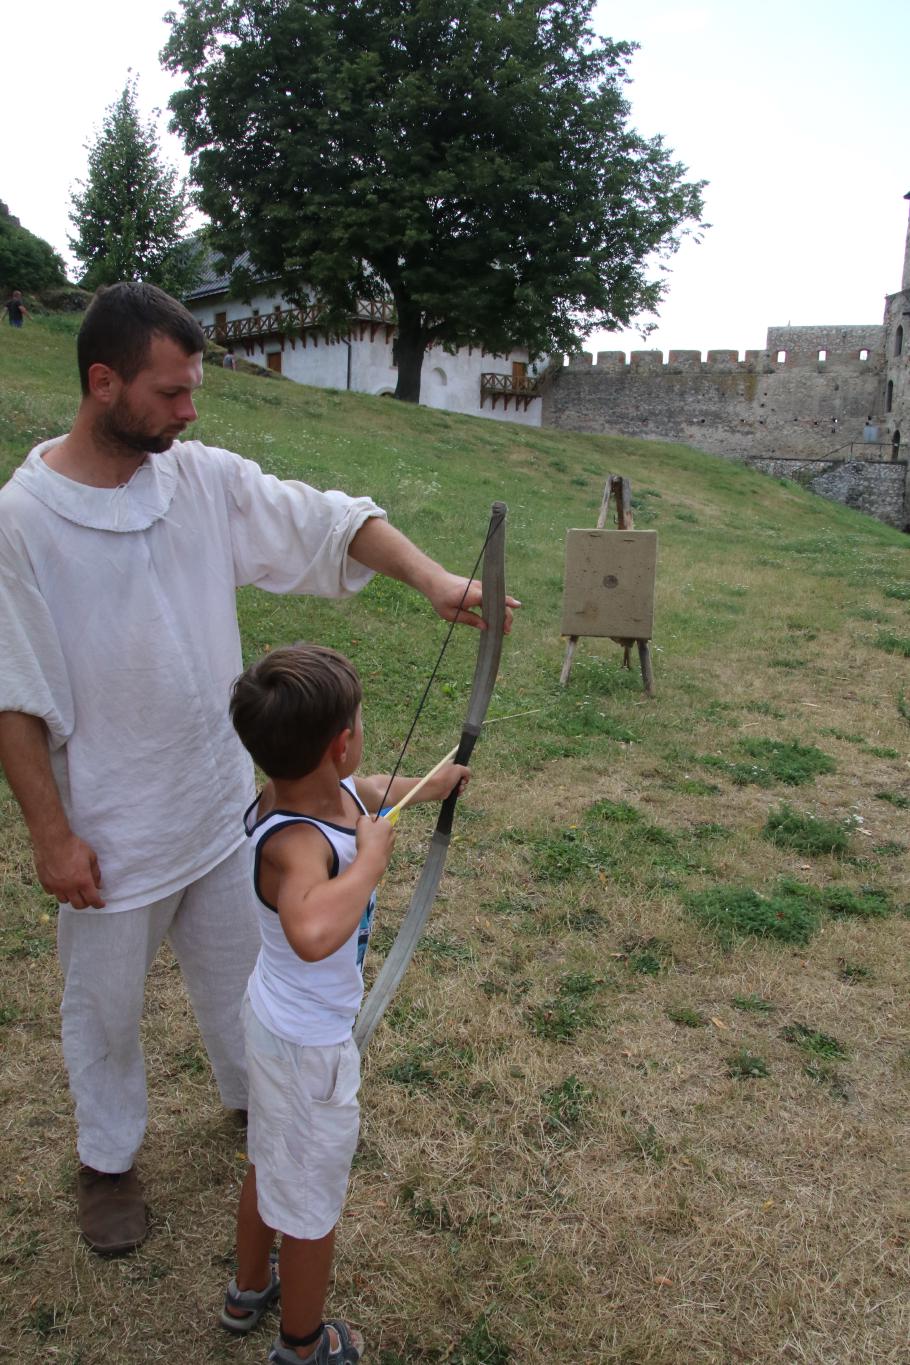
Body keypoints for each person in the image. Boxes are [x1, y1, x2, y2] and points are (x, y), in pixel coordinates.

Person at [0, 281, 516, 1256]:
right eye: (170, 392)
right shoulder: (22, 522)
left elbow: (322, 521)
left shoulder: (195, 480)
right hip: (108, 828)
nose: (189, 410)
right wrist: (51, 835)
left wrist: (433, 580)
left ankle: (260, 1105)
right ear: (103, 383)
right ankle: (107, 1160)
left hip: (217, 809)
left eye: (193, 389)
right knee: (103, 1013)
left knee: (246, 983)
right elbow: (14, 696)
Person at [221, 643, 469, 1364]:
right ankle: (302, 1344)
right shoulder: (296, 842)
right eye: (358, 721)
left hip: (276, 1024)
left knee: (271, 1158)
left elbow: (371, 790)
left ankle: (247, 1289)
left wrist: (432, 784)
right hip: (306, 1047)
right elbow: (311, 931)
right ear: (339, 742)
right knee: (309, 1202)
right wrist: (370, 863)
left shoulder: (314, 792)